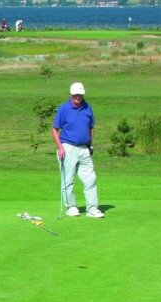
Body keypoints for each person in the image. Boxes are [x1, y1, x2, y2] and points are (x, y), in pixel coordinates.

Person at [52, 82, 104, 218]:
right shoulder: (64, 108)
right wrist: (60, 147)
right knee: (68, 180)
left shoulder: (87, 108)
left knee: (90, 179)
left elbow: (91, 128)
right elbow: (54, 129)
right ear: (71, 95)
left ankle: (92, 208)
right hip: (67, 147)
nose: (78, 97)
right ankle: (71, 207)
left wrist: (90, 145)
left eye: (80, 95)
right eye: (75, 95)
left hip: (84, 149)